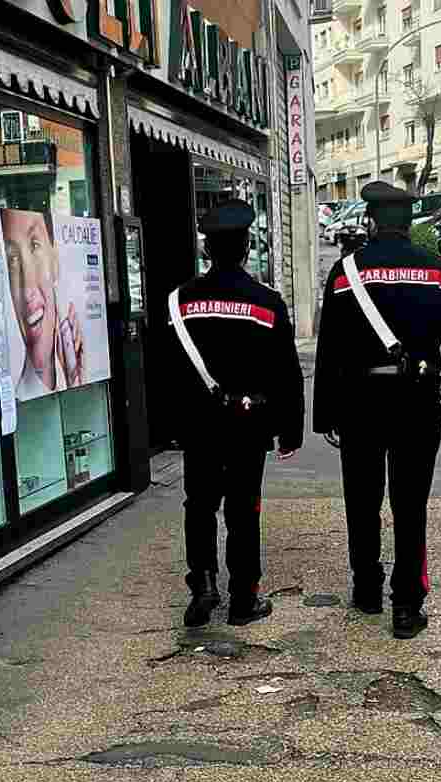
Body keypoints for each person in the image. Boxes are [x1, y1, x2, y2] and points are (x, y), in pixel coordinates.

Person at [312, 181, 441, 640]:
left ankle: (366, 589)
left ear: (369, 221)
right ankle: (406, 605)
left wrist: (325, 414)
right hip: (417, 402)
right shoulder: (439, 270)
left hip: (360, 403)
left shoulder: (346, 272)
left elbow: (330, 349)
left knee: (361, 501)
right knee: (410, 505)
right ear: (409, 223)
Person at [169, 199, 305, 628]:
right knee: (244, 508)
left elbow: (166, 370)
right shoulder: (266, 303)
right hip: (249, 423)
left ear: (207, 249)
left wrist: (173, 426)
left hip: (199, 424)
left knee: (200, 504)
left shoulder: (180, 301)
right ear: (247, 246)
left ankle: (204, 586)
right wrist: (290, 430)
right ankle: (244, 597)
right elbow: (287, 371)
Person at [2, 208, 86, 400]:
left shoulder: (69, 370)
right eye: (13, 259)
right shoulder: (18, 401)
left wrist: (78, 382)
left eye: (35, 246)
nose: (28, 289)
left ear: (54, 260)